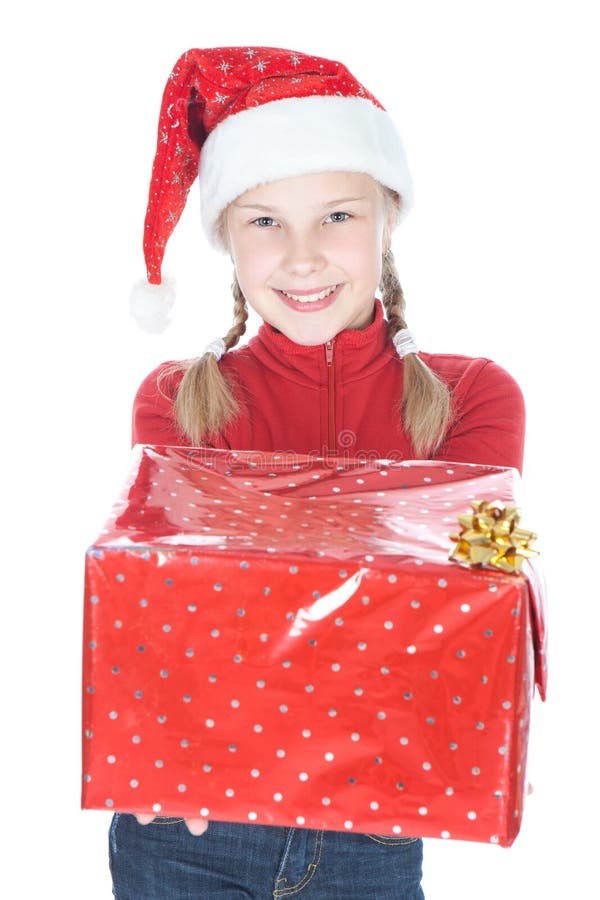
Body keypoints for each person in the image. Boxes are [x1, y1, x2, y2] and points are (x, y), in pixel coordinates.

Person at [109, 46, 525, 900]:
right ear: (226, 236)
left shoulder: (473, 399)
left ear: (388, 221)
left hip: (373, 824)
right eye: (263, 221)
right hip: (187, 819)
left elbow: (445, 636)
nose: (302, 256)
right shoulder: (177, 402)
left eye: (337, 216)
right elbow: (173, 624)